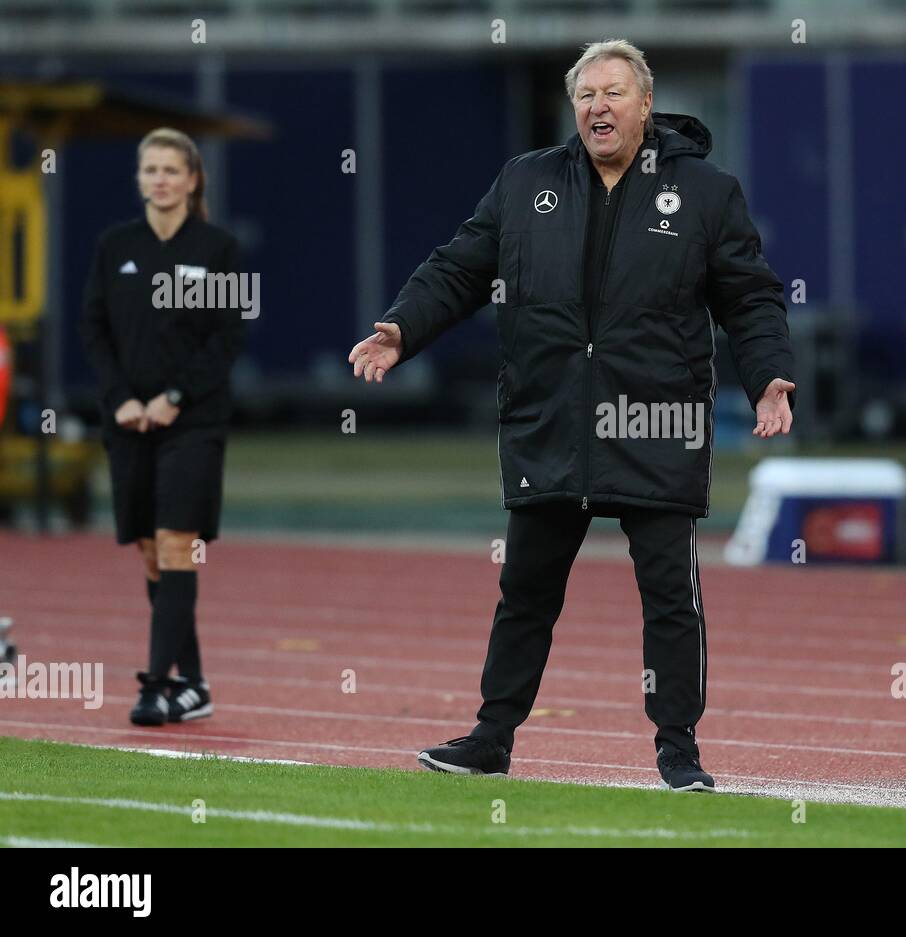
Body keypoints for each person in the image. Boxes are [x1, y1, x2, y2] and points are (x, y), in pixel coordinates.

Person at [348, 39, 796, 792]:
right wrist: (401, 327)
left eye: (614, 93)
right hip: (551, 421)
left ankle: (678, 750)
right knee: (524, 591)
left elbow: (750, 297)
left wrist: (770, 376)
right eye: (585, 94)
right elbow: (460, 267)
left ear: (645, 105)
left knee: (669, 600)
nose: (598, 107)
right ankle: (492, 738)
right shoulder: (526, 182)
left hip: (655, 426)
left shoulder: (705, 192)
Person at [80, 127, 245, 726]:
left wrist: (175, 397)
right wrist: (122, 399)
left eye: (171, 170)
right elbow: (93, 331)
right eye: (150, 169)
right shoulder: (113, 245)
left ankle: (156, 688)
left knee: (178, 542)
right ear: (139, 178)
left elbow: (229, 340)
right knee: (153, 553)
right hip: (127, 423)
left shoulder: (220, 249)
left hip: (194, 423)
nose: (160, 179)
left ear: (193, 178)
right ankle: (194, 684)